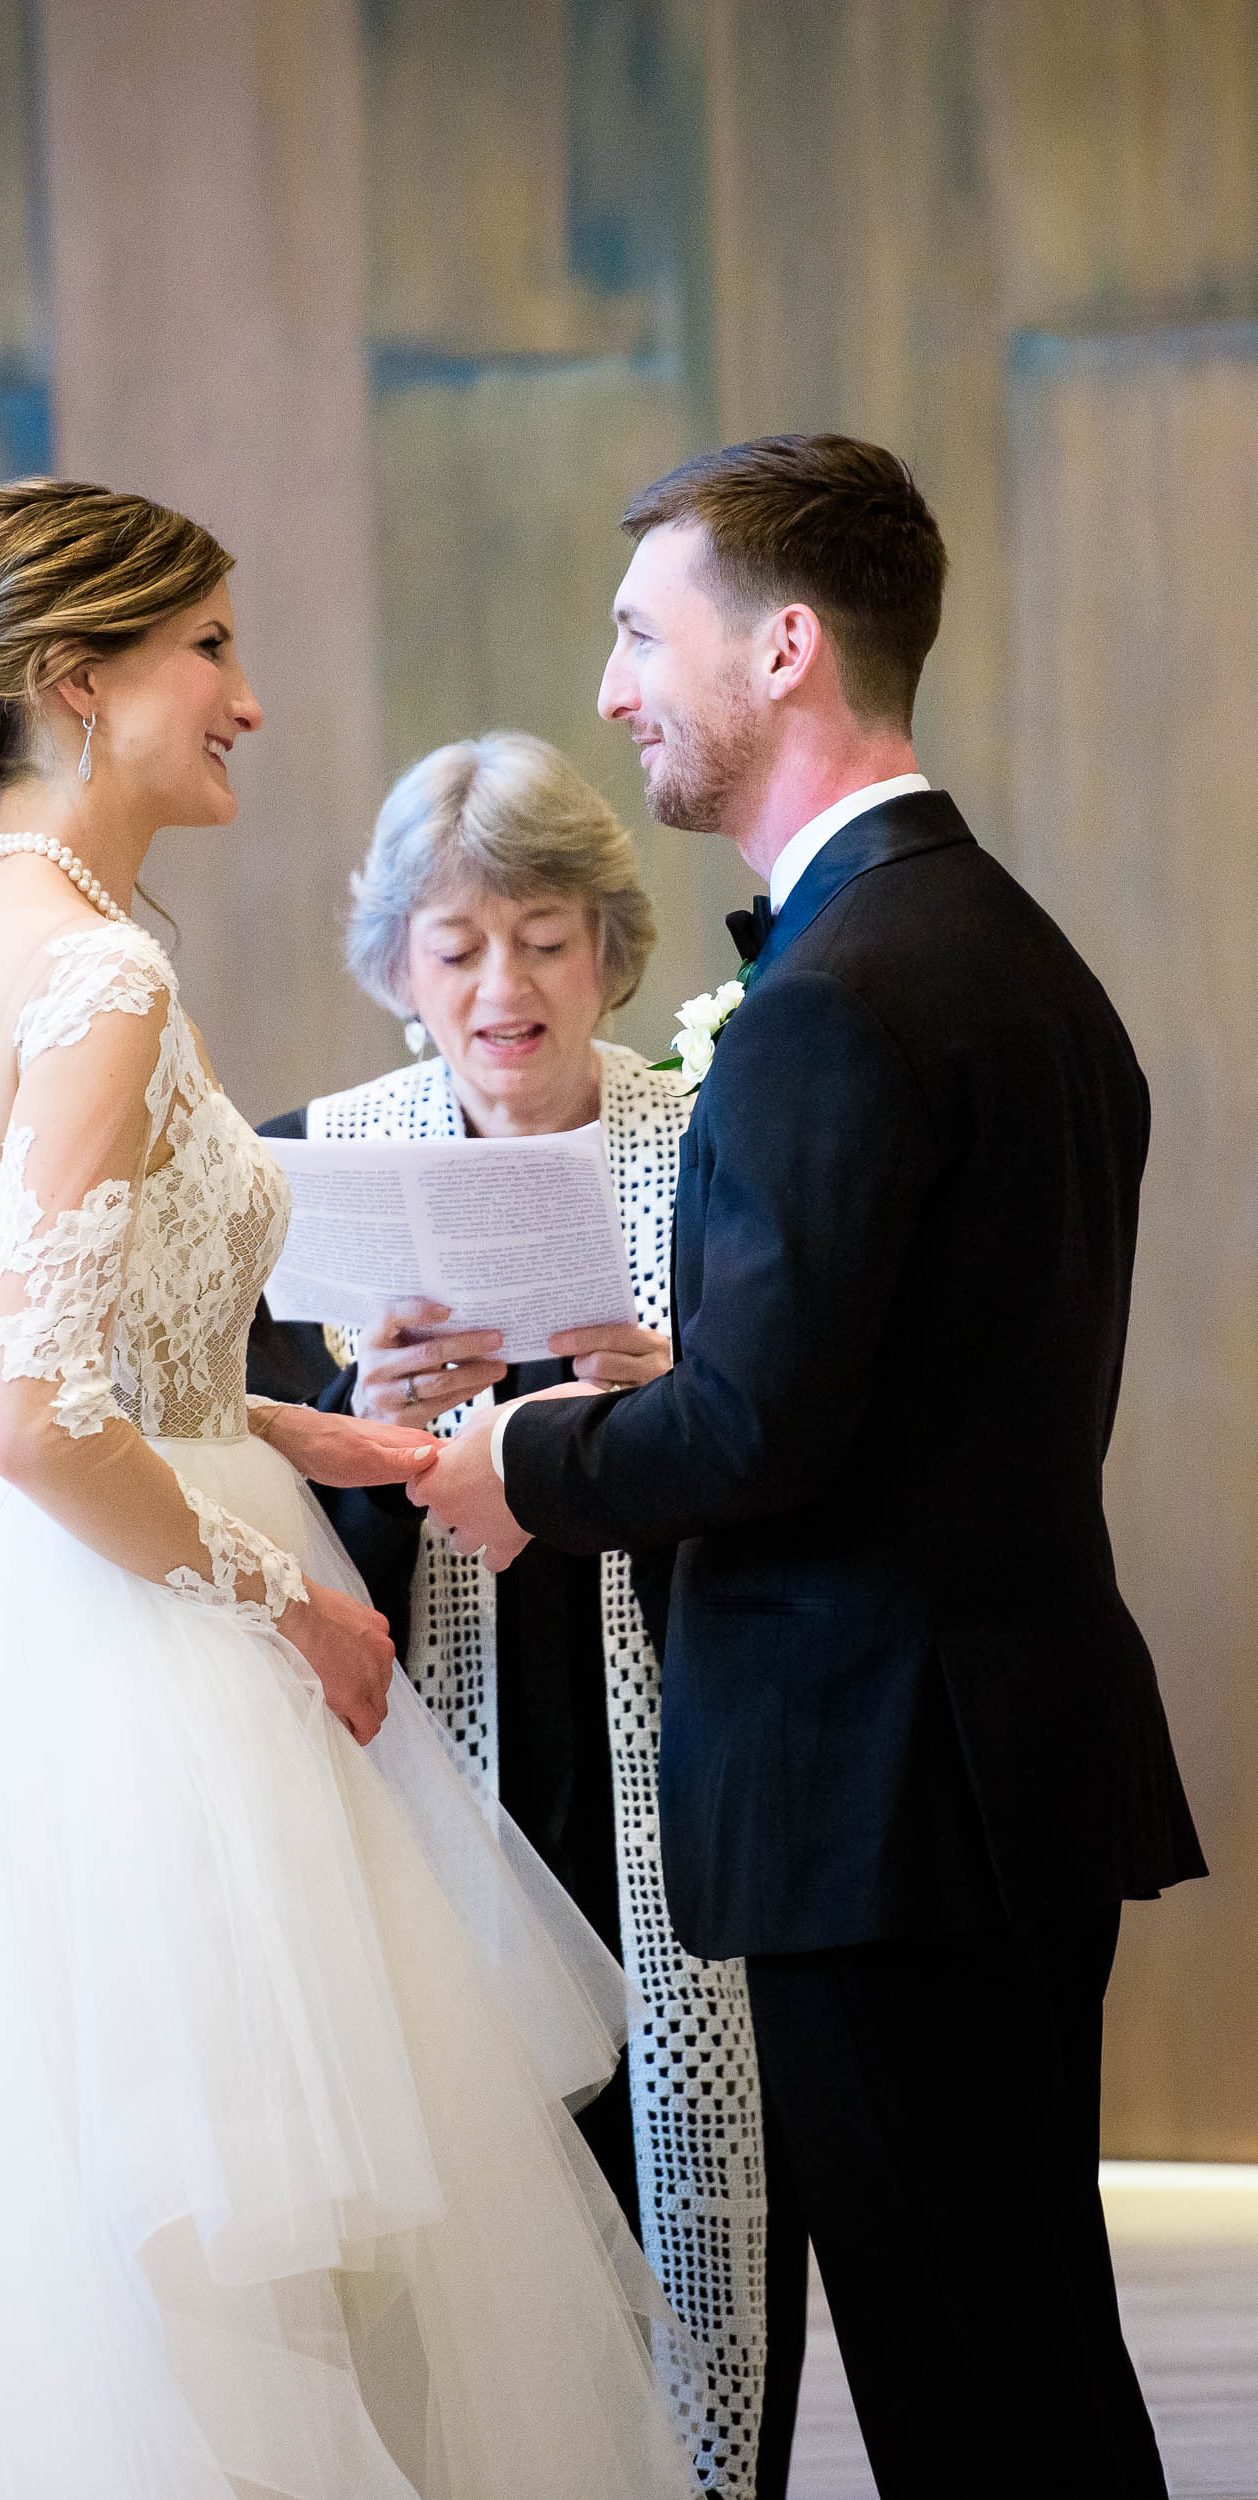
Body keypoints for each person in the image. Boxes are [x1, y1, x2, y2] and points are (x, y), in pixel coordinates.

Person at [0, 480, 713, 2498]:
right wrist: (302, 1599)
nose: (249, 700)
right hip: (120, 1661)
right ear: (72, 682)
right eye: (207, 650)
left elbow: (47, 1365)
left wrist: (312, 1433)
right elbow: (34, 1414)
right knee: (201, 2277)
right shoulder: (94, 978)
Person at [417, 433, 1207, 2500]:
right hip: (984, 1757)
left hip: (887, 1785)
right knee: (1022, 2347)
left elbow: (760, 1438)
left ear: (782, 643)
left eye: (637, 632)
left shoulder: (837, 992)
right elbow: (895, 1390)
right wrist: (690, 1375)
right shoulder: (1001, 952)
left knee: (971, 2380)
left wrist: (523, 1448)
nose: (612, 689)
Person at [247, 730, 771, 2496]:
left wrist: (679, 1397)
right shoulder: (300, 1169)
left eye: (542, 936)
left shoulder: (710, 1142)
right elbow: (255, 1537)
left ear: (611, 952)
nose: (500, 986)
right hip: (417, 1785)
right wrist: (363, 1426)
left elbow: (798, 1458)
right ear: (398, 964)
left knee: (669, 2201)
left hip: (682, 1769)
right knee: (456, 2254)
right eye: (455, 942)